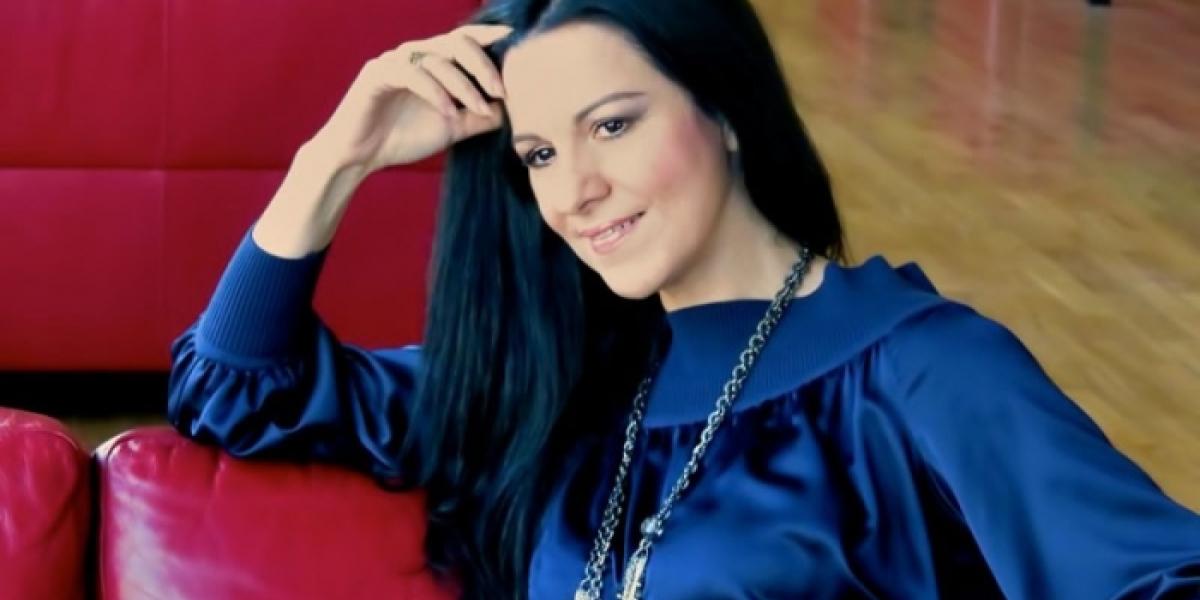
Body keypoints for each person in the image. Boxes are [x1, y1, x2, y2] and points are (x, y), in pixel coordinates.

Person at [165, 0, 1200, 598]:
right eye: (538, 153)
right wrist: (334, 159)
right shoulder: (553, 382)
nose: (575, 190)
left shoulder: (922, 367)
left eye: (612, 126)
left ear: (726, 112)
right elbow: (234, 391)